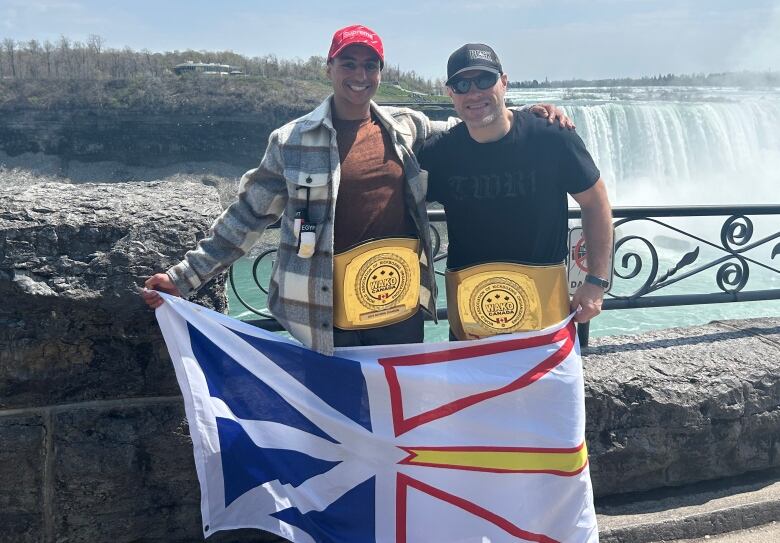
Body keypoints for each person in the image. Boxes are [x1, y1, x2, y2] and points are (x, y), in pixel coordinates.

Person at [142, 26, 571, 354]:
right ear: (329, 68)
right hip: (325, 313)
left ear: (380, 73)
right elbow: (246, 217)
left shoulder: (405, 126)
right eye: (349, 63)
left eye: (370, 65)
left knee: (397, 422)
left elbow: (474, 126)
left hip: (399, 308)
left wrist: (524, 114)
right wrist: (184, 277)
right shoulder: (291, 141)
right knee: (338, 424)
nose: (360, 75)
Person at [418, 43, 613, 341]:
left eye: (484, 80)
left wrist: (596, 281)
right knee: (475, 391)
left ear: (504, 82)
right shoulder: (438, 154)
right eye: (461, 84)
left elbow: (595, 201)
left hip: (546, 315)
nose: (473, 92)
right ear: (450, 94)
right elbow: (397, 206)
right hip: (471, 321)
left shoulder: (550, 136)